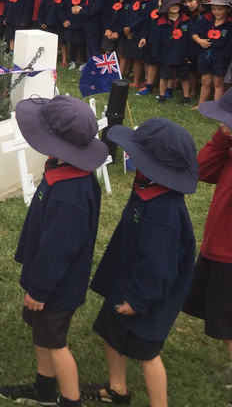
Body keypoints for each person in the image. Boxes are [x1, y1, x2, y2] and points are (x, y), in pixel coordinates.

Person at [0, 95, 108, 407]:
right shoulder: (63, 172)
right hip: (47, 281)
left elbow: (59, 248)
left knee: (56, 343)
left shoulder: (71, 193)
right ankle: (44, 390)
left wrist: (40, 289)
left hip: (56, 286)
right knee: (43, 335)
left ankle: (70, 400)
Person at [81, 119, 197, 407]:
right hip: (126, 281)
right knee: (110, 332)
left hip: (149, 295)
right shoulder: (147, 186)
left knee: (147, 353)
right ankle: (117, 389)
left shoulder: (165, 212)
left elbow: (158, 266)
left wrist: (138, 299)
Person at [185, 89, 232, 394]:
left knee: (227, 322)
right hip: (218, 245)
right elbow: (200, 170)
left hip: (228, 253)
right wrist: (222, 139)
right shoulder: (228, 148)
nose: (223, 126)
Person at [192, 0, 232, 107]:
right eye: (214, 9)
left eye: (220, 9)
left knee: (218, 83)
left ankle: (216, 107)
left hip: (221, 56)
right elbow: (193, 32)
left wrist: (224, 56)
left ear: (227, 9)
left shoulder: (229, 24)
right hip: (205, 54)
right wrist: (200, 41)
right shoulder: (205, 19)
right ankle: (201, 104)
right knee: (205, 81)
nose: (216, 12)